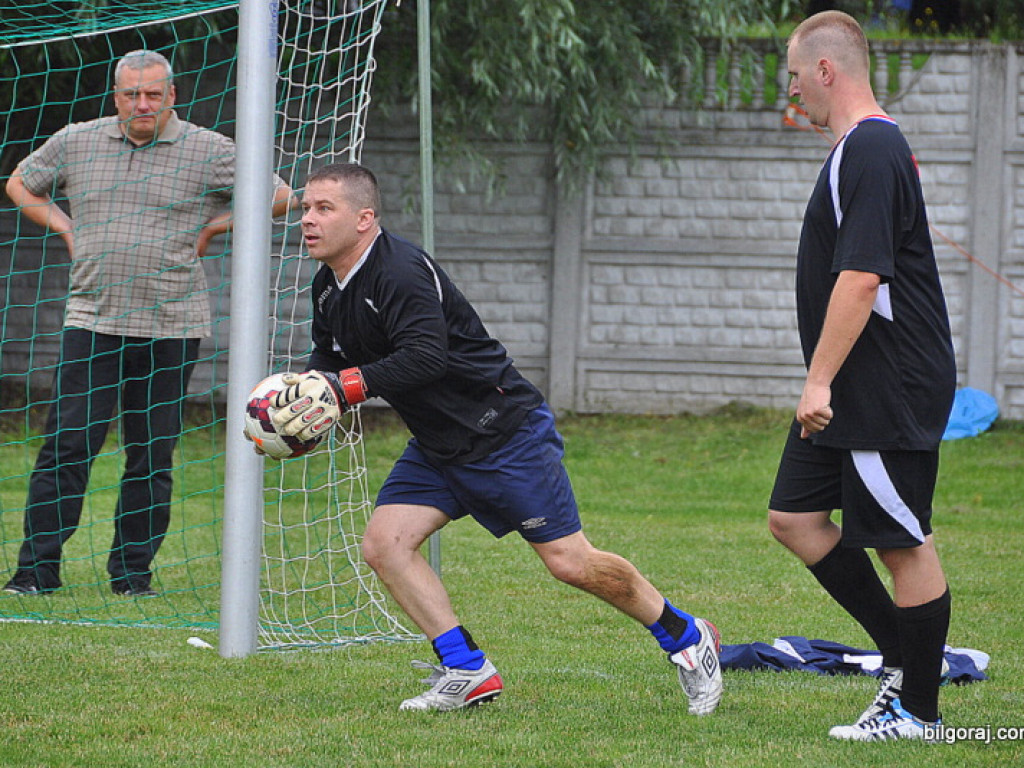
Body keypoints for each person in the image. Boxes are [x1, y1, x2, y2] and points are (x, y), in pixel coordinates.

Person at [263, 162, 723, 714]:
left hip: (504, 435)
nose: (307, 220)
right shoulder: (327, 286)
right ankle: (466, 669)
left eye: (322, 209)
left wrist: (343, 391)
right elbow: (330, 359)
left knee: (570, 563)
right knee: (386, 545)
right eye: (306, 208)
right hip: (438, 446)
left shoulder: (401, 271)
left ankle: (687, 637)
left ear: (364, 219)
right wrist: (307, 405)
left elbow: (425, 358)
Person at [3, 49, 293, 597]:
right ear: (116, 96)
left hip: (172, 327)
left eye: (153, 95)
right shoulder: (77, 139)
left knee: (151, 454)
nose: (142, 104)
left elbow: (278, 194)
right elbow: (20, 183)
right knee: (67, 444)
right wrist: (64, 227)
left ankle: (132, 575)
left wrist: (213, 229)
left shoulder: (209, 150)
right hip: (91, 321)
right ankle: (36, 573)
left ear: (172, 97)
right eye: (131, 94)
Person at [767, 11, 955, 741]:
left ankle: (919, 711)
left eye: (795, 77)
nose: (794, 94)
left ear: (825, 70)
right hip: (853, 386)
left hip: (884, 385)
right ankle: (905, 658)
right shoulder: (860, 149)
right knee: (794, 516)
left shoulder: (873, 148)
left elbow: (862, 277)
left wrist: (818, 382)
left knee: (902, 541)